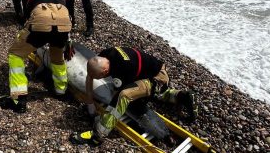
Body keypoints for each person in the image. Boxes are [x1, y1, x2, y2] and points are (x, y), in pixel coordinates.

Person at [70, 47, 198, 146]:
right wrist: (90, 102)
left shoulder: (125, 68)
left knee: (124, 95)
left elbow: (123, 94)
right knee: (157, 93)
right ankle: (183, 97)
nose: (99, 79)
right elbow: (91, 75)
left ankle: (98, 135)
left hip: (157, 77)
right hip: (150, 69)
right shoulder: (105, 55)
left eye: (100, 77)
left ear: (105, 72)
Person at [0, 0, 72, 113]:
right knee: (57, 57)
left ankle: (18, 98)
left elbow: (28, 19)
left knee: (16, 54)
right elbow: (69, 17)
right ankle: (61, 90)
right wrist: (67, 42)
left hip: (40, 26)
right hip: (64, 29)